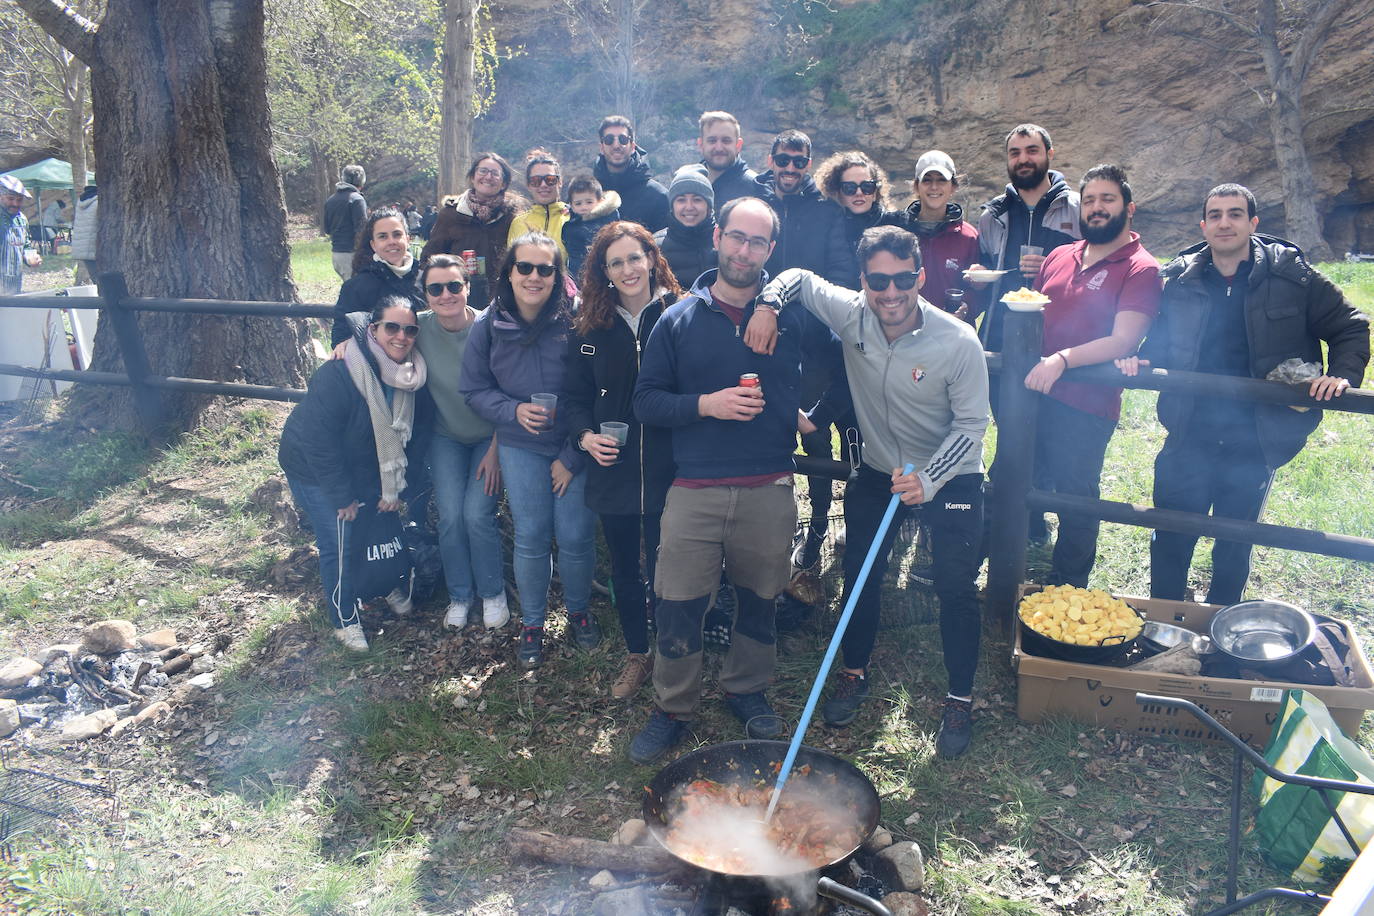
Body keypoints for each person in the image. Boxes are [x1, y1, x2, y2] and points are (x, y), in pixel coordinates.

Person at [746, 224, 989, 757]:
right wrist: (767, 304)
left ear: (920, 277)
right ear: (863, 281)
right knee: (860, 576)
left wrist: (930, 478)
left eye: (903, 278)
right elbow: (798, 277)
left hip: (951, 475)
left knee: (955, 585)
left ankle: (959, 697)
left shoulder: (957, 340)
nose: (891, 292)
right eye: (878, 281)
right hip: (880, 470)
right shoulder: (852, 312)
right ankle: (854, 672)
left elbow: (973, 424)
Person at [1119, 184, 1370, 605]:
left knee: (1234, 544)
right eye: (1215, 215)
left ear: (1253, 223)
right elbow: (1162, 342)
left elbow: (1350, 325)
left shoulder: (1292, 277)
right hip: (1189, 432)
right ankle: (1163, 620)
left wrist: (1342, 375)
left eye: (1235, 214)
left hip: (1255, 435)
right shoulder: (1180, 281)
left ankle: (1223, 624)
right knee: (1171, 535)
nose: (1225, 223)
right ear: (1203, 225)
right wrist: (1141, 360)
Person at [627, 197, 804, 763]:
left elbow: (842, 366)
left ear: (770, 250)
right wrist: (706, 404)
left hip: (769, 484)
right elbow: (645, 401)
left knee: (760, 598)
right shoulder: (678, 318)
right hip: (695, 486)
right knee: (677, 602)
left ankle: (746, 688)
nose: (744, 251)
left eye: (757, 242)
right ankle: (673, 705)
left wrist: (814, 414)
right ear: (717, 237)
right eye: (736, 237)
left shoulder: (793, 315)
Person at [459, 232, 598, 669]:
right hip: (520, 444)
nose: (534, 277)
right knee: (532, 534)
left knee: (575, 534)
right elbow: (473, 389)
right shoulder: (488, 324)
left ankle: (578, 610)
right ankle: (533, 622)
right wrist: (513, 411)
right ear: (509, 272)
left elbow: (598, 389)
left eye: (545, 269)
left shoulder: (579, 319)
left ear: (557, 276)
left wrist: (572, 457)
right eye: (525, 267)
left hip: (575, 443)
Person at [1019, 164, 1161, 587]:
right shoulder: (1061, 255)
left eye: (1108, 199)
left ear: (1129, 208)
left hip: (1087, 404)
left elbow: (1123, 340)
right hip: (1034, 393)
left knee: (1075, 499)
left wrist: (1061, 360)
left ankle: (1068, 588)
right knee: (1009, 481)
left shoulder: (1141, 268)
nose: (1097, 208)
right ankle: (994, 577)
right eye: (1090, 200)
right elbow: (1032, 310)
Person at [565, 222, 682, 699]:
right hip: (612, 468)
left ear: (652, 258)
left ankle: (673, 655)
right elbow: (573, 396)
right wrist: (585, 438)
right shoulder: (590, 324)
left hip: (671, 467)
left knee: (668, 569)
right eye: (616, 262)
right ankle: (637, 652)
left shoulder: (680, 313)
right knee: (625, 569)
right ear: (604, 272)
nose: (628, 269)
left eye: (635, 257)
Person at [279, 295, 435, 652]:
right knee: (338, 539)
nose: (401, 337)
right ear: (373, 329)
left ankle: (383, 584)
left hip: (368, 463)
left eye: (410, 330)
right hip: (315, 467)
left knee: (377, 522)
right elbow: (319, 442)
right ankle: (344, 617)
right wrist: (342, 497)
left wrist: (395, 491)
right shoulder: (340, 373)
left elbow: (416, 440)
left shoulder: (414, 377)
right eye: (391, 327)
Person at [413, 254, 509, 630]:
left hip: (491, 436)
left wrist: (497, 452)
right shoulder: (418, 328)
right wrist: (345, 345)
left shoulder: (490, 327)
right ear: (426, 295)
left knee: (476, 514)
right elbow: (372, 332)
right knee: (451, 516)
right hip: (446, 437)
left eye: (454, 285)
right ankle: (459, 595)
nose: (446, 295)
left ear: (467, 287)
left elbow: (510, 389)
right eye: (435, 288)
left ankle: (492, 592)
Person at [972, 124, 1081, 351]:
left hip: (1060, 342)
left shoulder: (1079, 209)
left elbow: (1099, 273)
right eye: (1015, 153)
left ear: (1050, 154)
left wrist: (1054, 269)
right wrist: (979, 277)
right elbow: (987, 274)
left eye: (1032, 151)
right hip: (999, 339)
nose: (1023, 159)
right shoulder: (992, 216)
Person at [422, 152, 528, 309]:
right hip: (457, 301)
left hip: (503, 301)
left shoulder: (513, 217)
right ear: (472, 177)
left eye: (495, 173)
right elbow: (430, 257)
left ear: (504, 183)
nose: (488, 177)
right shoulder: (451, 214)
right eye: (483, 171)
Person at [752, 129, 851, 284]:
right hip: (758, 298)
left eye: (799, 162)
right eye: (783, 160)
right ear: (771, 161)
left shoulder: (828, 210)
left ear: (808, 164)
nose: (790, 168)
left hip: (810, 299)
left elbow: (840, 268)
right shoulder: (752, 204)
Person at [904, 150, 982, 324]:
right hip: (907, 331)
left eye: (941, 180)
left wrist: (967, 307)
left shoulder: (968, 237)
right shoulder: (900, 232)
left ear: (953, 187)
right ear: (916, 186)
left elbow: (978, 292)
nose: (934, 187)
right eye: (927, 180)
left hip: (954, 332)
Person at [330, 207, 426, 347]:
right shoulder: (356, 287)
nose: (391, 241)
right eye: (383, 237)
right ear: (373, 245)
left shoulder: (427, 280)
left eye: (397, 234)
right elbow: (342, 338)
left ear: (407, 239)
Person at [814, 149, 904, 289]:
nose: (859, 193)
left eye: (867, 187)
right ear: (838, 192)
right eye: (849, 188)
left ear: (875, 192)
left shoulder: (897, 225)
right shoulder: (826, 229)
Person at [592, 116, 669, 232]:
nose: (616, 145)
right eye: (609, 139)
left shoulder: (659, 196)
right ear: (602, 147)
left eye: (623, 139)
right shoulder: (586, 195)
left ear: (632, 146)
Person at [652, 165, 716, 287]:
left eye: (697, 200)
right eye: (681, 200)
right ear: (672, 206)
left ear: (708, 206)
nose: (689, 207)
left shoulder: (725, 240)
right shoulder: (655, 248)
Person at [507, 149, 571, 261]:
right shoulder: (518, 223)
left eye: (550, 180)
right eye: (536, 180)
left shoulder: (573, 218)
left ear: (560, 182)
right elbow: (512, 264)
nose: (543, 185)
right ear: (528, 185)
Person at [562, 175, 621, 282]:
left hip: (602, 276)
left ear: (600, 201)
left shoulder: (606, 221)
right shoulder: (571, 224)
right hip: (576, 276)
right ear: (571, 205)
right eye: (578, 204)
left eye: (589, 202)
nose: (584, 207)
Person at [697, 110, 757, 208]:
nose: (719, 148)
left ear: (738, 145)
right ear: (701, 145)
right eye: (712, 141)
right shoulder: (690, 185)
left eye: (726, 141)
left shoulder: (755, 188)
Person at [324, 165, 368, 281]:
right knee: (357, 288)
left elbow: (327, 229)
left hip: (336, 254)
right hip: (351, 255)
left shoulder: (330, 200)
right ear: (361, 180)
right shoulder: (357, 199)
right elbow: (362, 230)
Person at [1, 175, 38, 295]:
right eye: (10, 199)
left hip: (14, 282)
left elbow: (25, 245)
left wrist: (30, 258)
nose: (15, 204)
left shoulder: (21, 219)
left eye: (19, 200)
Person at [71, 185, 98, 281]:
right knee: (101, 278)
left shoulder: (80, 202)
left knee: (95, 277)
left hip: (82, 246)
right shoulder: (98, 202)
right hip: (93, 245)